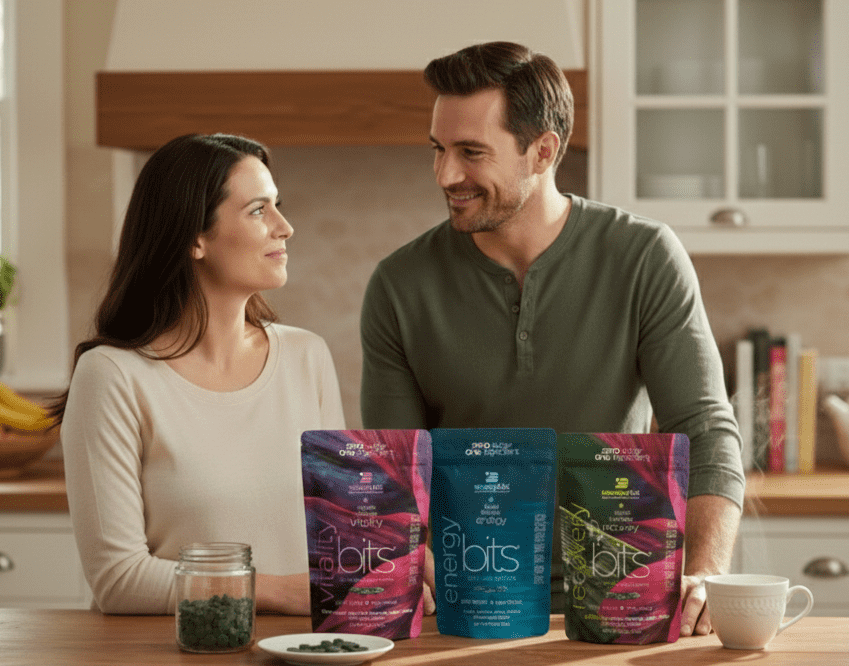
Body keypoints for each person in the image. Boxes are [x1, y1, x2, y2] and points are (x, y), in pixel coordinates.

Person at [359, 42, 745, 637]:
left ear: (544, 150)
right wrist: (414, 559)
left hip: (626, 601)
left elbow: (705, 429)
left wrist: (707, 573)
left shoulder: (643, 257)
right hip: (469, 608)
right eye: (438, 150)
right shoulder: (399, 284)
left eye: (471, 153)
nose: (446, 174)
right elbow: (395, 473)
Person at [51, 133, 346, 615]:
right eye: (258, 210)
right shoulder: (112, 376)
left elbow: (339, 531)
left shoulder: (306, 357)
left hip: (303, 651)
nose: (285, 227)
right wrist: (277, 591)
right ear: (194, 238)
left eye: (278, 205)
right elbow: (119, 579)